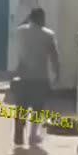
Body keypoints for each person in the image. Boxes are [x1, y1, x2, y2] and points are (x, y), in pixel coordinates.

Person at [13, 8, 60, 146]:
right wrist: (57, 72)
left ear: (30, 17)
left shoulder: (20, 31)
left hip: (22, 76)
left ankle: (18, 136)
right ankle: (33, 136)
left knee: (21, 108)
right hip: (40, 78)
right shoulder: (48, 35)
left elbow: (22, 24)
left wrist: (28, 20)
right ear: (42, 19)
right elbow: (54, 56)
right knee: (37, 108)